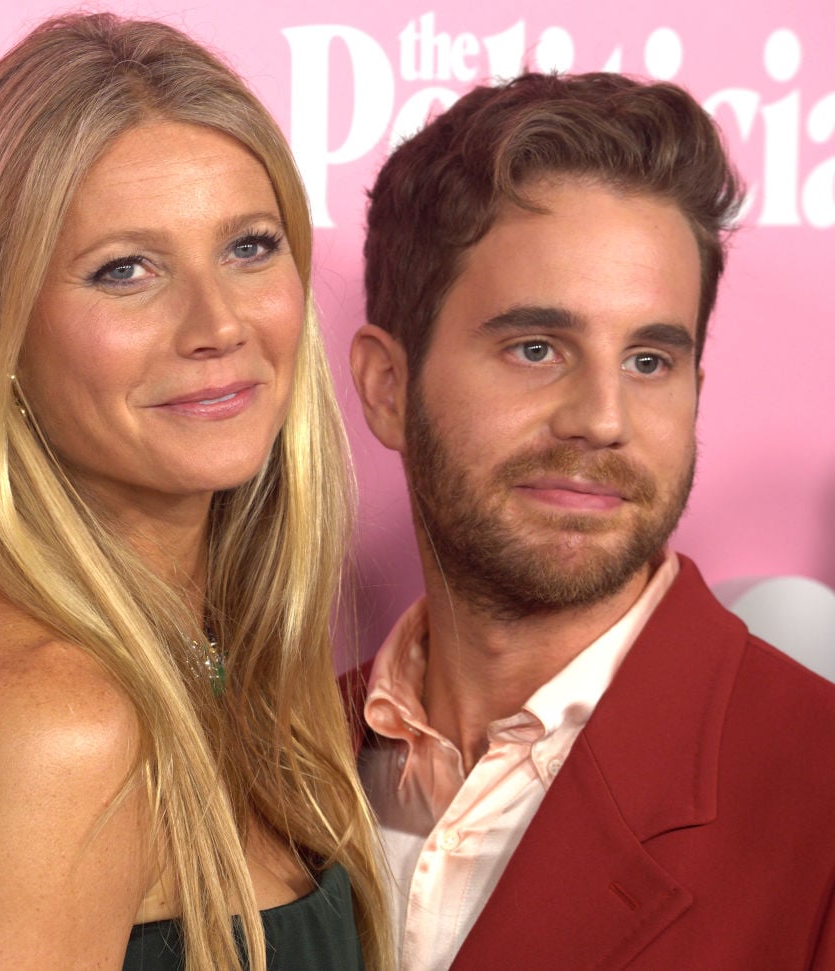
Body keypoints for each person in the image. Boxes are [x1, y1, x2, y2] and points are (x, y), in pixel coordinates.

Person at [0, 13, 390, 970]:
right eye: (126, 270)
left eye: (250, 247)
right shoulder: (51, 723)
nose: (217, 323)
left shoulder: (226, 649)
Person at [347, 71, 835, 970]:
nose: (603, 419)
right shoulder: (260, 760)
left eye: (650, 361)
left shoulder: (816, 790)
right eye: (537, 348)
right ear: (387, 387)